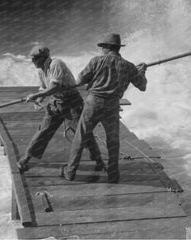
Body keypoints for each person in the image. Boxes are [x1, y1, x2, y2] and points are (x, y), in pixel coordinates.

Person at [61, 33, 148, 183]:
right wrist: (141, 72)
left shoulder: (96, 61)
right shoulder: (128, 66)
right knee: (113, 141)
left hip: (93, 103)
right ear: (117, 48)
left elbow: (79, 81)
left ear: (107, 48)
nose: (101, 50)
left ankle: (70, 172)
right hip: (112, 105)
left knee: (80, 138)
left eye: (102, 47)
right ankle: (113, 175)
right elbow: (142, 86)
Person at [16, 45, 105, 173]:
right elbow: (43, 88)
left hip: (72, 102)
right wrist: (38, 100)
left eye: (34, 59)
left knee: (82, 134)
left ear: (43, 58)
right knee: (43, 131)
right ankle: (25, 160)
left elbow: (54, 87)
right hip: (55, 102)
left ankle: (99, 161)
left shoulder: (56, 64)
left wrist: (37, 95)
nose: (32, 62)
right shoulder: (41, 70)